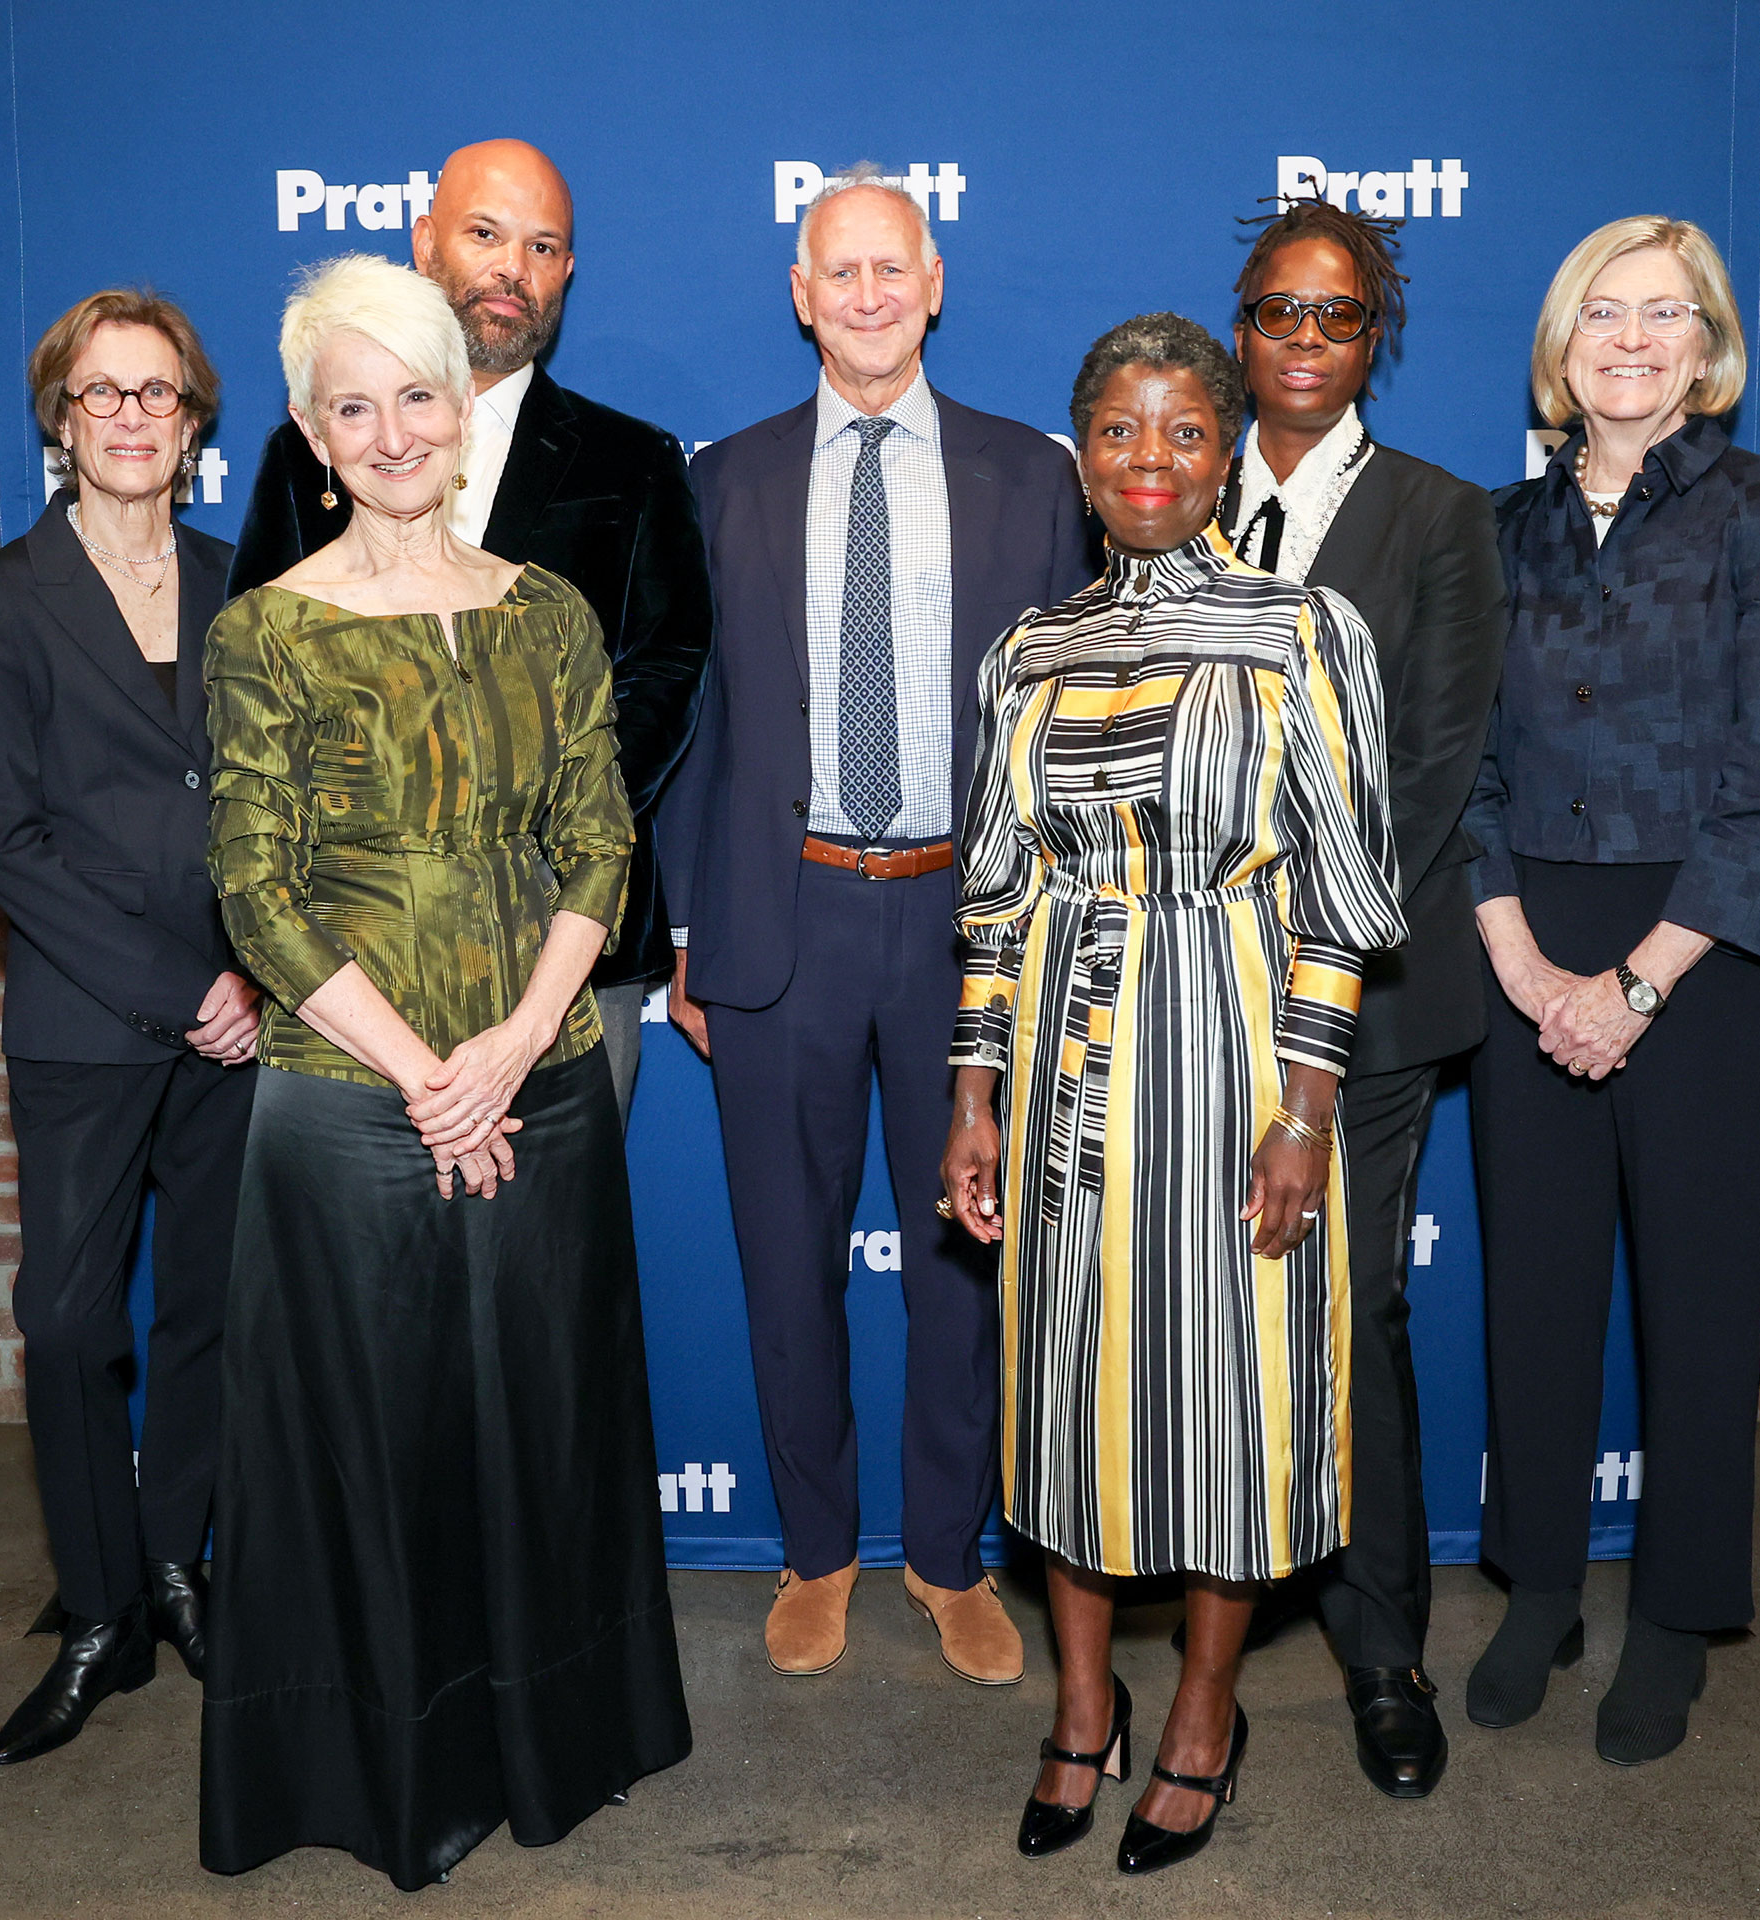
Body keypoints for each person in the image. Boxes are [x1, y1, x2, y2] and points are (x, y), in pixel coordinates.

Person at [198, 253, 688, 1891]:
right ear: (313, 435)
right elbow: (255, 891)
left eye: (420, 392)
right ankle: (392, 1772)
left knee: (541, 1438)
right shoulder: (267, 631)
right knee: (375, 1459)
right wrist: (425, 1074)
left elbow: (598, 842)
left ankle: (556, 1739)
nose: (394, 427)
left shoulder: (544, 614)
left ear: (461, 410)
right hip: (345, 1116)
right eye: (357, 404)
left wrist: (506, 1048)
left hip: (539, 1086)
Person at [943, 313, 1405, 1875]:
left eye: (1185, 431)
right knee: (1067, 1394)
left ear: (1225, 454)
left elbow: (1341, 897)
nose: (1152, 460)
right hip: (1068, 1065)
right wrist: (973, 1090)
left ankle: (1207, 1708)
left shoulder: (1303, 630)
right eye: (1122, 432)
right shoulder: (1029, 649)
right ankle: (1085, 1708)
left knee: (1225, 1406)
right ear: (1084, 459)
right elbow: (999, 894)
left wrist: (1306, 1109)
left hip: (1231, 1056)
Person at [660, 166, 1097, 1685]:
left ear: (933, 285)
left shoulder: (1031, 478)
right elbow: (693, 725)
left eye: (887, 269)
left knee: (966, 1262)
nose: (862, 294)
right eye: (834, 271)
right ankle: (817, 1549)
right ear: (799, 293)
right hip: (780, 925)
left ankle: (946, 1554)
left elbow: (1066, 729)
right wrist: (690, 935)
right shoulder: (725, 479)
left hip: (969, 928)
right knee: (786, 1260)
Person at [1461, 216, 1760, 1766]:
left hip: (1709, 954)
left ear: (1707, 344)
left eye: (1664, 314)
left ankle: (1677, 1615)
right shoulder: (1496, 528)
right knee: (1536, 1291)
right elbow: (1463, 773)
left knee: (1695, 1297)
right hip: (1526, 952)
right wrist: (1525, 962)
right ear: (1561, 346)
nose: (1630, 338)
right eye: (1602, 312)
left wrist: (1637, 984)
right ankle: (1540, 1587)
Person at [1205, 197, 1508, 1798]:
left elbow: (1432, 769)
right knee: (1194, 1315)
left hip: (1367, 1003)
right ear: (1241, 330)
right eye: (1277, 312)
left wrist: (1278, 945)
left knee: (1350, 1307)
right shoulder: (1168, 498)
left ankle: (1382, 1644)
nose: (1304, 340)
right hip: (1180, 1005)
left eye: (1335, 315)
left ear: (1372, 336)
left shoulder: (1444, 518)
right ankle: (1207, 1630)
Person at [229, 138, 712, 1120]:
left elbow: (667, 667)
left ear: (566, 272)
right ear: (423, 242)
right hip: (348, 941)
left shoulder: (635, 461)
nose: (511, 269)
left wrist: (540, 834)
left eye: (542, 247)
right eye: (485, 234)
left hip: (568, 947)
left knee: (548, 1257)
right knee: (372, 1262)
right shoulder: (310, 452)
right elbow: (258, 680)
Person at [0, 289, 257, 1766]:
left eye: (159, 394)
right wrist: (174, 985)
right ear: (60, 421)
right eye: (101, 393)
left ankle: (177, 1559)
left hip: (245, 1016)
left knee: (205, 1307)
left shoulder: (243, 586)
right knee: (68, 1324)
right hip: (87, 1016)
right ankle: (96, 1612)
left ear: (196, 425)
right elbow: (7, 844)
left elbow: (268, 810)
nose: (131, 417)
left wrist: (253, 974)